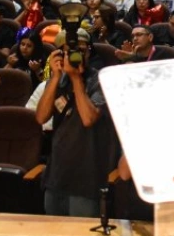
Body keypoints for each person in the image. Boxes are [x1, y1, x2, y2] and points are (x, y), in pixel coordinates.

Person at [34, 28, 117, 217]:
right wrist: (55, 77)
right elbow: (40, 118)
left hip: (87, 178)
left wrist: (76, 78)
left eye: (81, 49)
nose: (76, 55)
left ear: (89, 51)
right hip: (57, 174)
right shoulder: (56, 80)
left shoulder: (100, 80)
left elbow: (89, 118)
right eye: (70, 51)